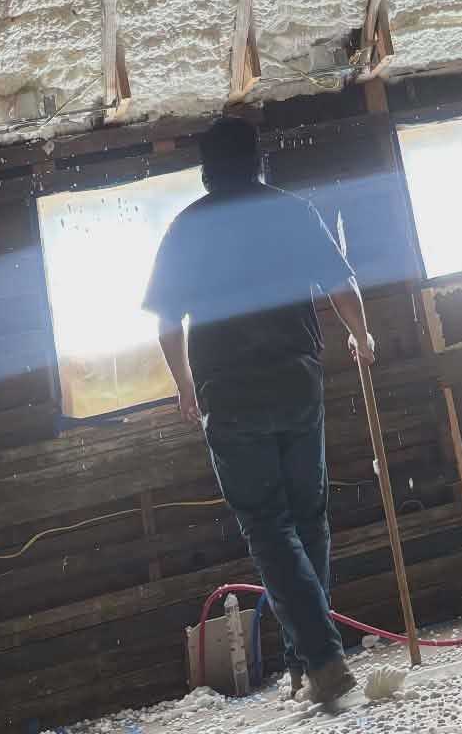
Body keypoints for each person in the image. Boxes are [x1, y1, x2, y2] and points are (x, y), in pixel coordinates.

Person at [144, 116, 375, 706]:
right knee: (309, 521)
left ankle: (319, 659)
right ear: (256, 161)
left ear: (206, 170)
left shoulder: (187, 227)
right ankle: (307, 663)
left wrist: (184, 385)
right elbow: (342, 282)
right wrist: (362, 335)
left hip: (230, 397)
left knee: (270, 528)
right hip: (296, 385)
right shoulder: (291, 211)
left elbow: (168, 323)